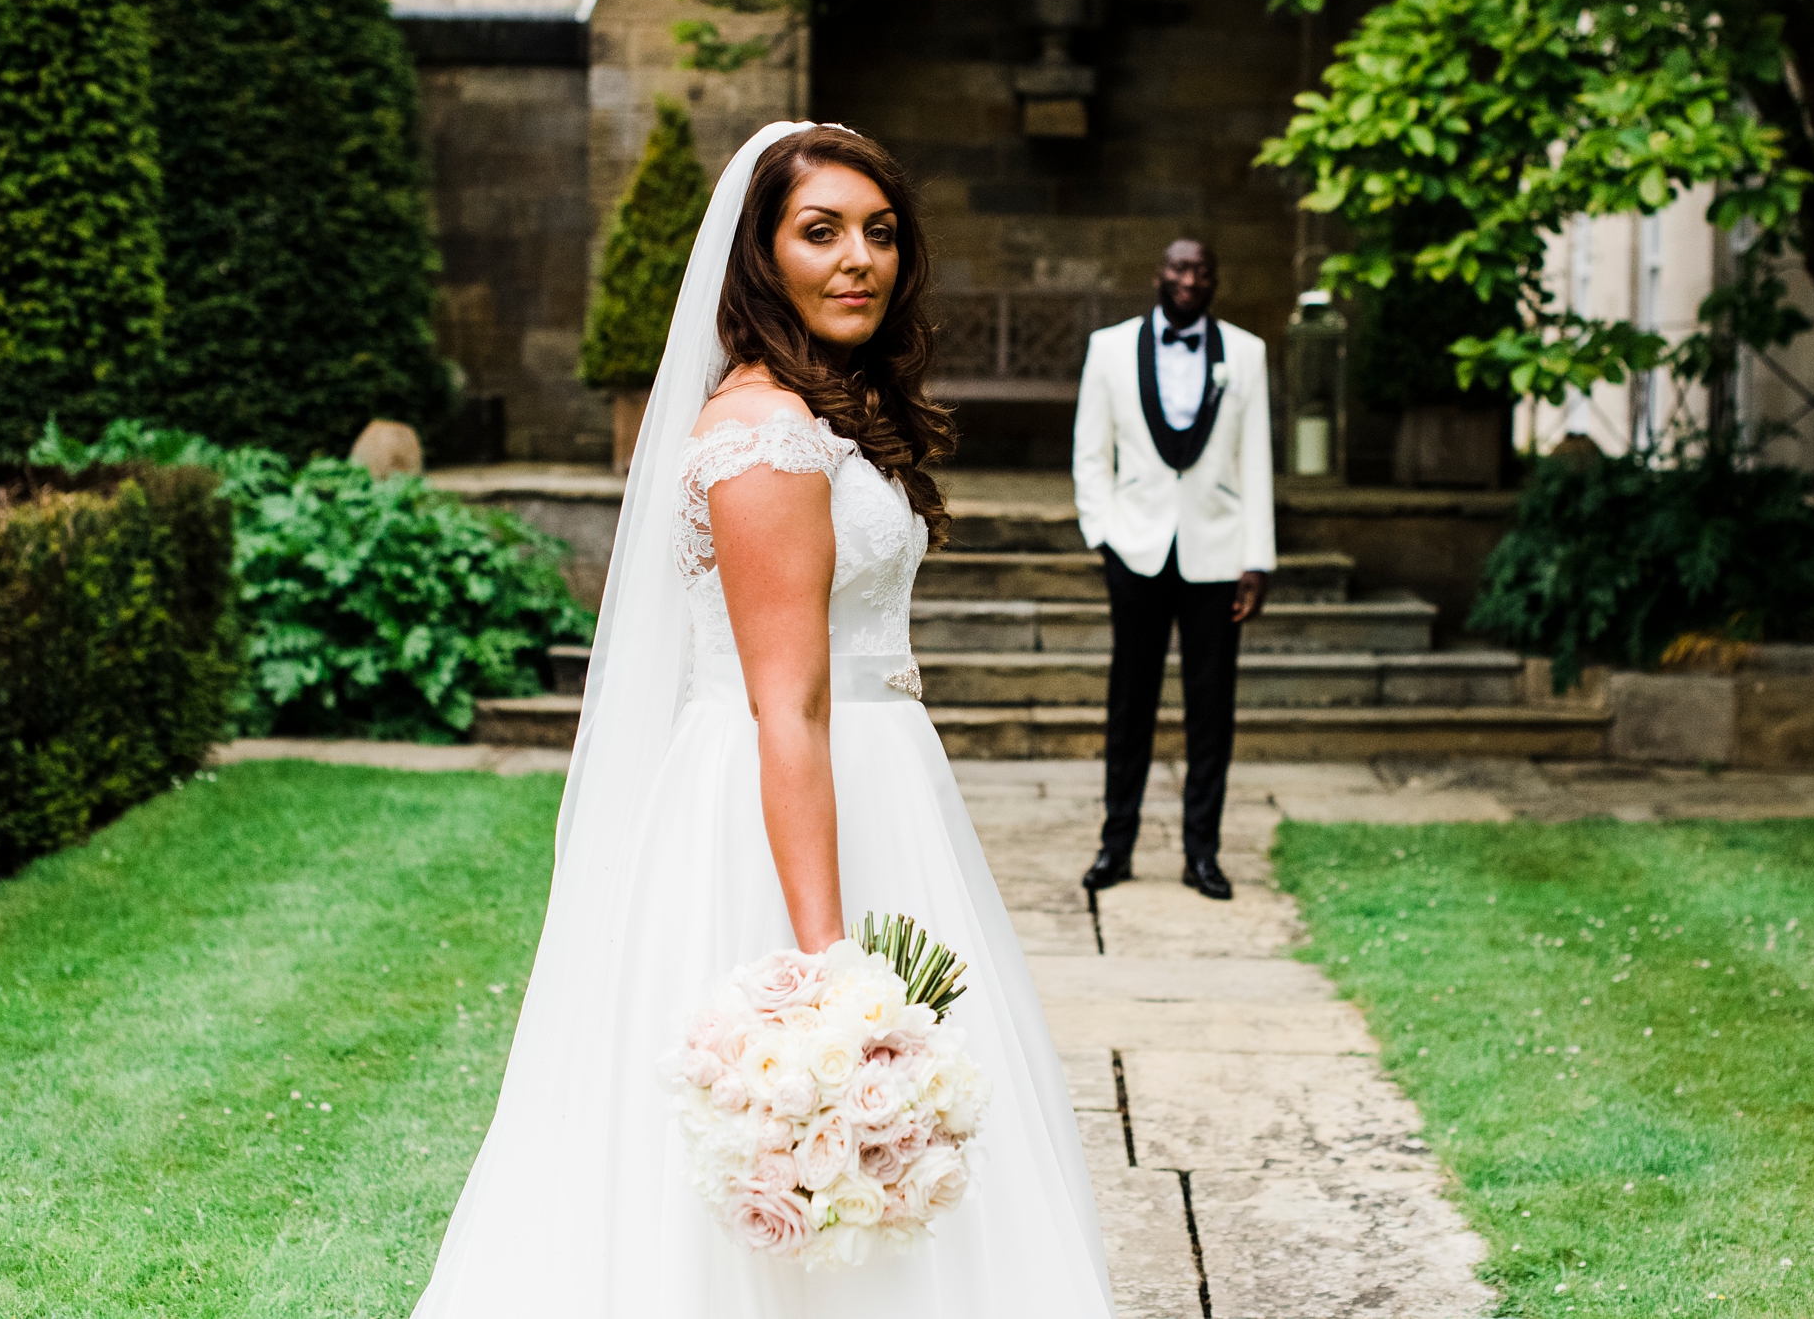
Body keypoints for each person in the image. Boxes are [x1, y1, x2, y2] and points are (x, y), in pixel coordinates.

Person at [411, 123, 1114, 1318]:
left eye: (880, 233)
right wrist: (826, 970)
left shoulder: (821, 409)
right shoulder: (764, 434)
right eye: (820, 232)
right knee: (794, 1114)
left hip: (877, 786)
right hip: (788, 809)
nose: (860, 261)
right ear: (759, 255)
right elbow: (782, 701)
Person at [1070, 238, 1275, 903]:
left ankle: (1201, 855)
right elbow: (1089, 453)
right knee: (1129, 705)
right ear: (1159, 273)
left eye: (1202, 270)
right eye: (1179, 267)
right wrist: (1103, 535)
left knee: (1210, 711)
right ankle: (1115, 846)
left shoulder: (1245, 354)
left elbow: (1256, 462)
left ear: (1214, 281)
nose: (1190, 279)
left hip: (1217, 555)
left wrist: (1257, 559)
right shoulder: (1109, 348)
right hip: (1135, 550)